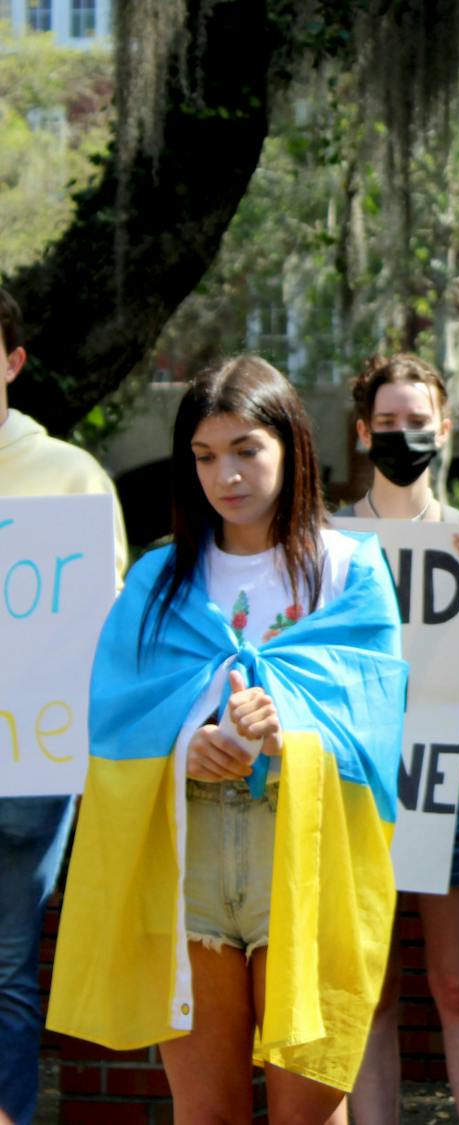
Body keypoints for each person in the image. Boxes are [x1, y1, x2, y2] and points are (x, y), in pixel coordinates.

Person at [46, 357, 408, 1124]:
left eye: (246, 448)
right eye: (205, 456)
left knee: (307, 1114)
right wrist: (187, 745)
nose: (226, 475)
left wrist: (290, 733)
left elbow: (377, 728)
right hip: (191, 854)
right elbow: (115, 721)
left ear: (292, 445)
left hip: (308, 852)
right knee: (205, 1111)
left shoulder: (353, 570)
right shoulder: (156, 580)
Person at [342, 355, 459, 1125]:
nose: (402, 436)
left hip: (452, 769)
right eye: (387, 424)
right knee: (369, 991)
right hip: (358, 776)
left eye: (417, 423)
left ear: (444, 429)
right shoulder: (330, 541)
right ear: (361, 431)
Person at [0, 288, 127, 1125]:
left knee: (8, 965)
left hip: (28, 764)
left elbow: (104, 618)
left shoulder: (74, 474)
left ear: (13, 360)